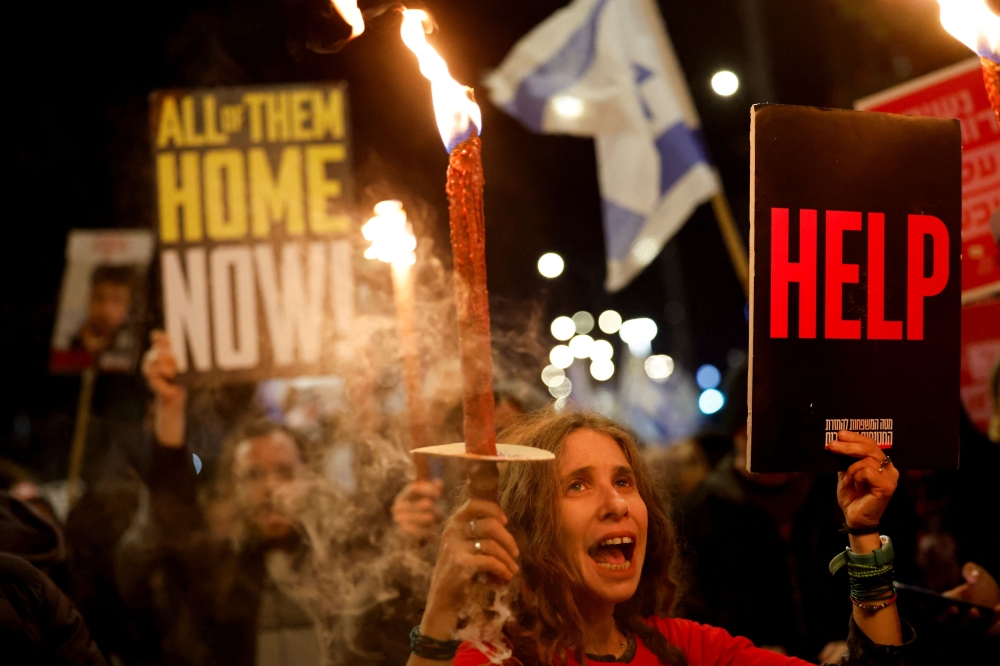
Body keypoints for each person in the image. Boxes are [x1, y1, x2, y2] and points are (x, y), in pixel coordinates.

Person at [405, 408, 912, 666]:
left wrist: (863, 533)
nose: (617, 504)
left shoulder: (686, 649)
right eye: (577, 484)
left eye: (624, 481)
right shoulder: (495, 658)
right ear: (529, 525)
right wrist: (440, 613)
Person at [121, 331, 443, 665]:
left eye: (284, 472)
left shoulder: (339, 559)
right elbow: (172, 514)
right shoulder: (213, 570)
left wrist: (364, 400)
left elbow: (382, 528)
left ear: (308, 478)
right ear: (233, 487)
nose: (270, 488)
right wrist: (170, 406)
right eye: (253, 476)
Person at [70, 264, 140, 371]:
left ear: (128, 306)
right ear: (89, 299)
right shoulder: (70, 342)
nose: (106, 309)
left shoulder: (135, 349)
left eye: (117, 300)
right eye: (99, 297)